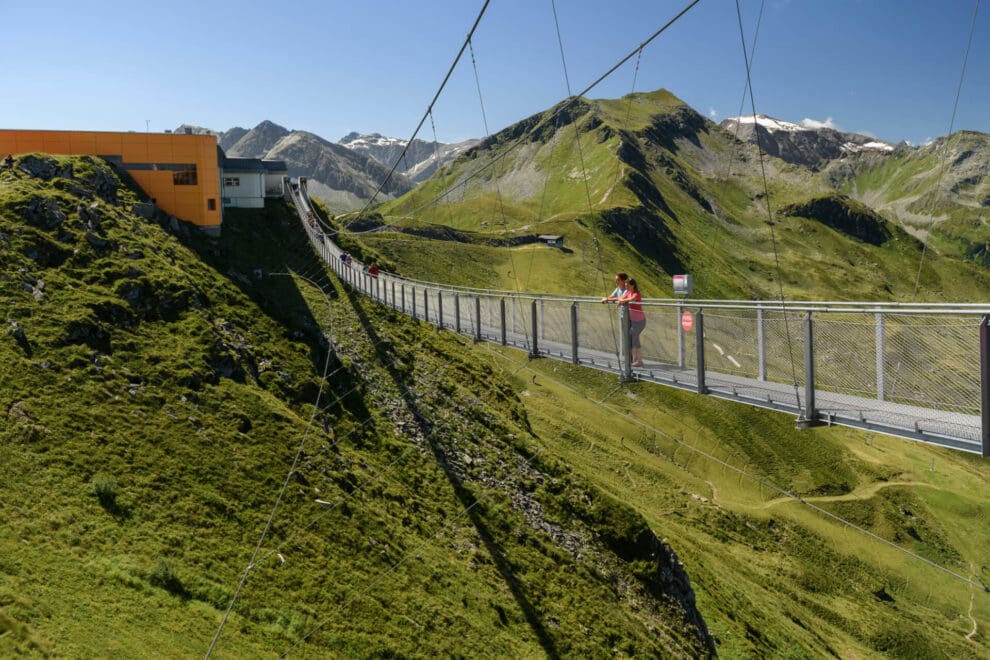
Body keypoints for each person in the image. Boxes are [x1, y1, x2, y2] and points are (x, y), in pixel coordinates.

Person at [617, 278, 646, 367]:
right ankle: (635, 360)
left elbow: (631, 299)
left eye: (627, 285)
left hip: (640, 322)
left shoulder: (636, 294)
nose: (626, 287)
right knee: (634, 339)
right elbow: (621, 298)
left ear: (632, 285)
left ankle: (637, 360)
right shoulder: (628, 293)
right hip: (634, 322)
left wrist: (622, 301)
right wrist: (620, 300)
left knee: (633, 338)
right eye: (625, 285)